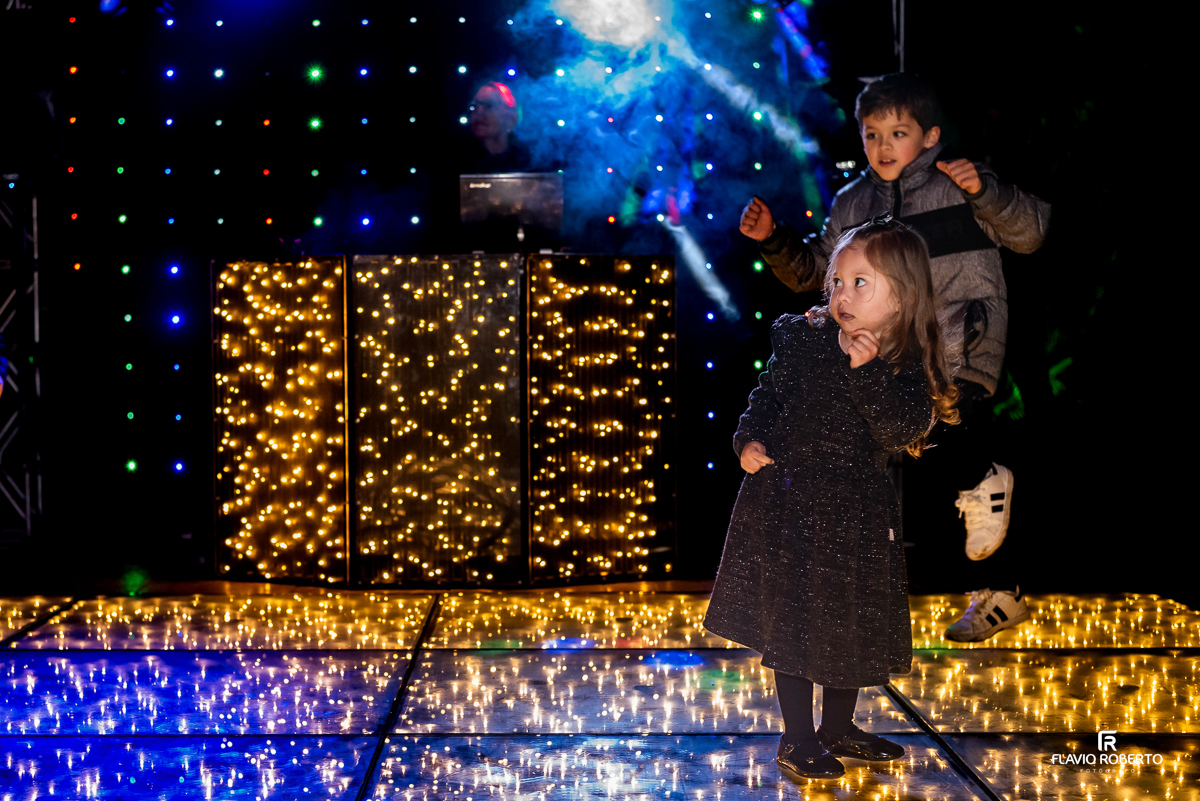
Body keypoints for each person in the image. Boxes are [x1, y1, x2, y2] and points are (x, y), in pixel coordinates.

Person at [737, 73, 1050, 642]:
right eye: (872, 134)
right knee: (929, 471)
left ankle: (989, 523)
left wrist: (986, 193)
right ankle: (994, 589)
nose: (883, 147)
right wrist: (775, 240)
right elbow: (816, 274)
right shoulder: (854, 203)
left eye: (898, 133)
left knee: (952, 451)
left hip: (960, 343)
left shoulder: (960, 185)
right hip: (890, 354)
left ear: (929, 136)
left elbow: (1030, 233)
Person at [704, 218, 959, 780]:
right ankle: (796, 739)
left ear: (903, 296)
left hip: (856, 519)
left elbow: (902, 428)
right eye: (837, 282)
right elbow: (767, 396)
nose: (841, 295)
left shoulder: (905, 362)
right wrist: (749, 438)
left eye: (860, 284)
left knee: (847, 622)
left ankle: (837, 728)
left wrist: (866, 373)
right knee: (793, 627)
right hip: (790, 507)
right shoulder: (805, 338)